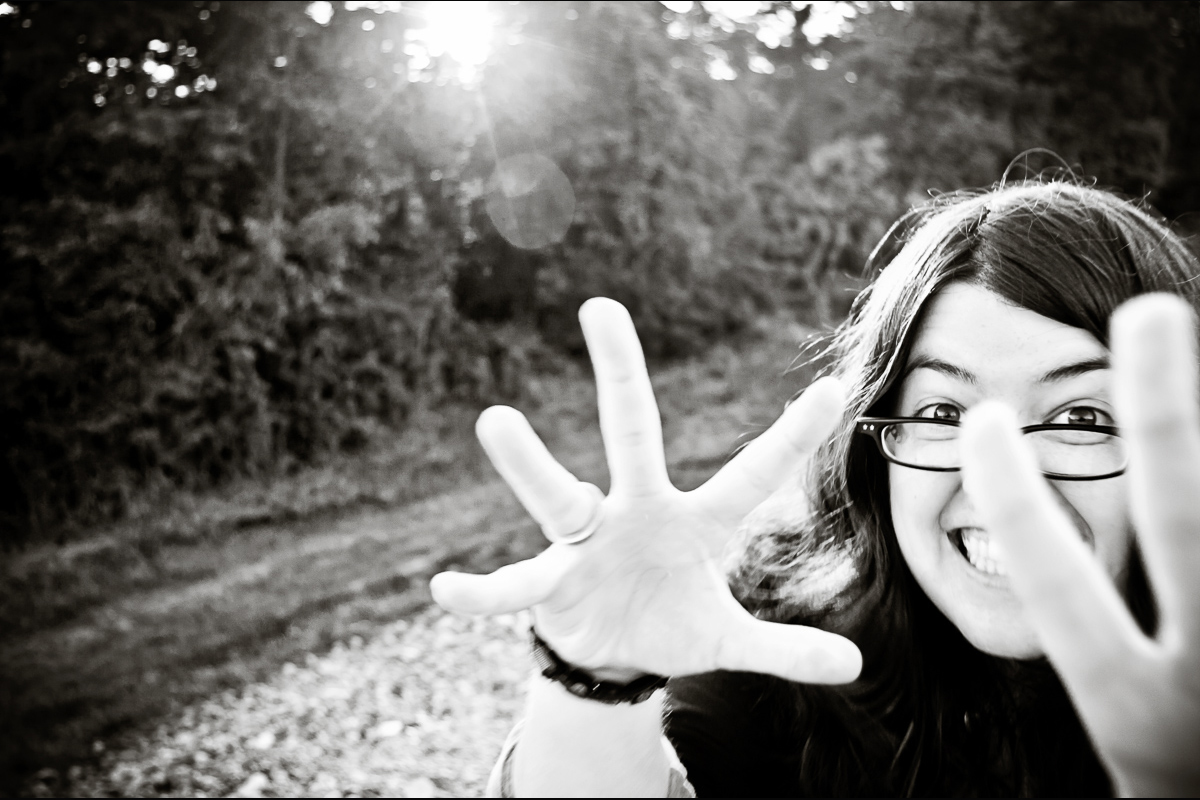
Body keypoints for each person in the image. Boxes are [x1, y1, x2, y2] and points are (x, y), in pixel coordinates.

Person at [430, 179, 1200, 796]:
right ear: (878, 451)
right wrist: (599, 687)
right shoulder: (776, 676)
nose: (1004, 484)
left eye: (1081, 417)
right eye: (942, 412)